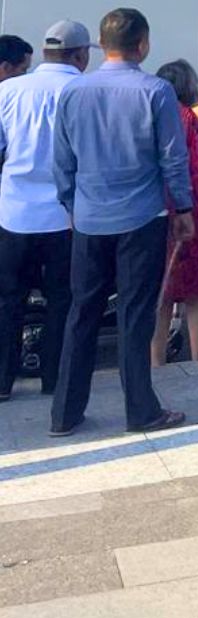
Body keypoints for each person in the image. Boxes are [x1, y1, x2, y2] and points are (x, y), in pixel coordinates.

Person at [50, 8, 194, 436]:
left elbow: (62, 160)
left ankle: (64, 413)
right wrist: (183, 209)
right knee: (134, 315)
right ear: (143, 44)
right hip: (141, 219)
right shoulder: (156, 91)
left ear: (101, 43)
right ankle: (141, 410)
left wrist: (71, 203)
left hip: (90, 219)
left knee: (82, 313)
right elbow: (173, 156)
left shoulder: (75, 92)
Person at [0, 23, 84, 401]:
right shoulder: (83, 91)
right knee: (62, 301)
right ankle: (54, 379)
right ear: (81, 55)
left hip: (12, 214)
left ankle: (2, 382)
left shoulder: (7, 91)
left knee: (7, 300)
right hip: (65, 218)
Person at [150, 61, 198, 364]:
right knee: (197, 293)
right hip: (193, 215)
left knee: (159, 291)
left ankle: (155, 362)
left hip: (154, 213)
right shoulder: (193, 118)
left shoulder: (151, 116)